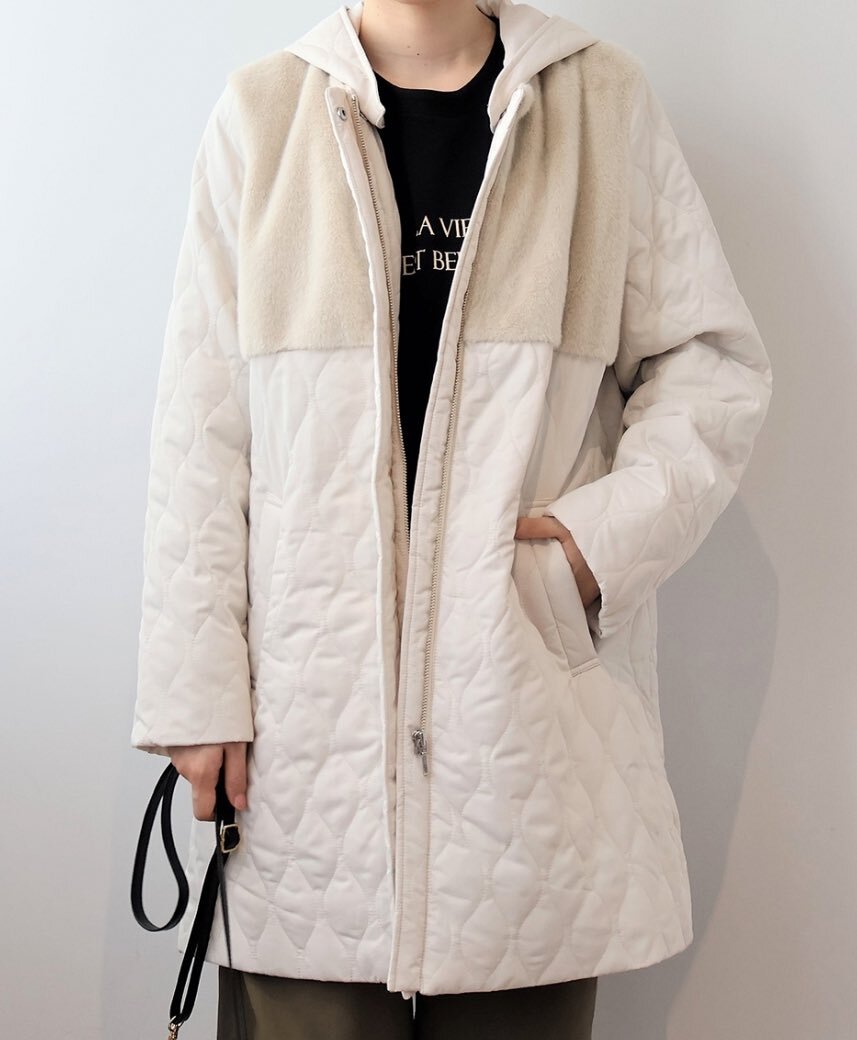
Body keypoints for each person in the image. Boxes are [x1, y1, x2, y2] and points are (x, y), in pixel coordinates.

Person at [130, 0, 773, 1036]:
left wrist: (592, 547)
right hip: (306, 746)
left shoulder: (598, 103)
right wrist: (198, 690)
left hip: (525, 741)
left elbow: (711, 366)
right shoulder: (262, 113)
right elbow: (201, 435)